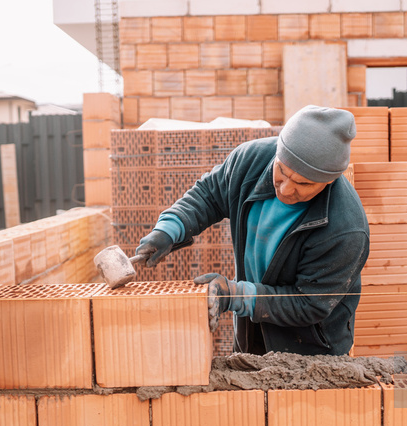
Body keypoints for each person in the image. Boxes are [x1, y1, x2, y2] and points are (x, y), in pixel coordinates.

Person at [136, 105, 370, 356]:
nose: (286, 189)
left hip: (309, 349)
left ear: (330, 180)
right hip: (251, 331)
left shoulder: (346, 230)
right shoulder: (251, 160)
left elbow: (308, 304)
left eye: (304, 183)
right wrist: (170, 229)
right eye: (282, 171)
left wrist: (236, 295)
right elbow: (209, 195)